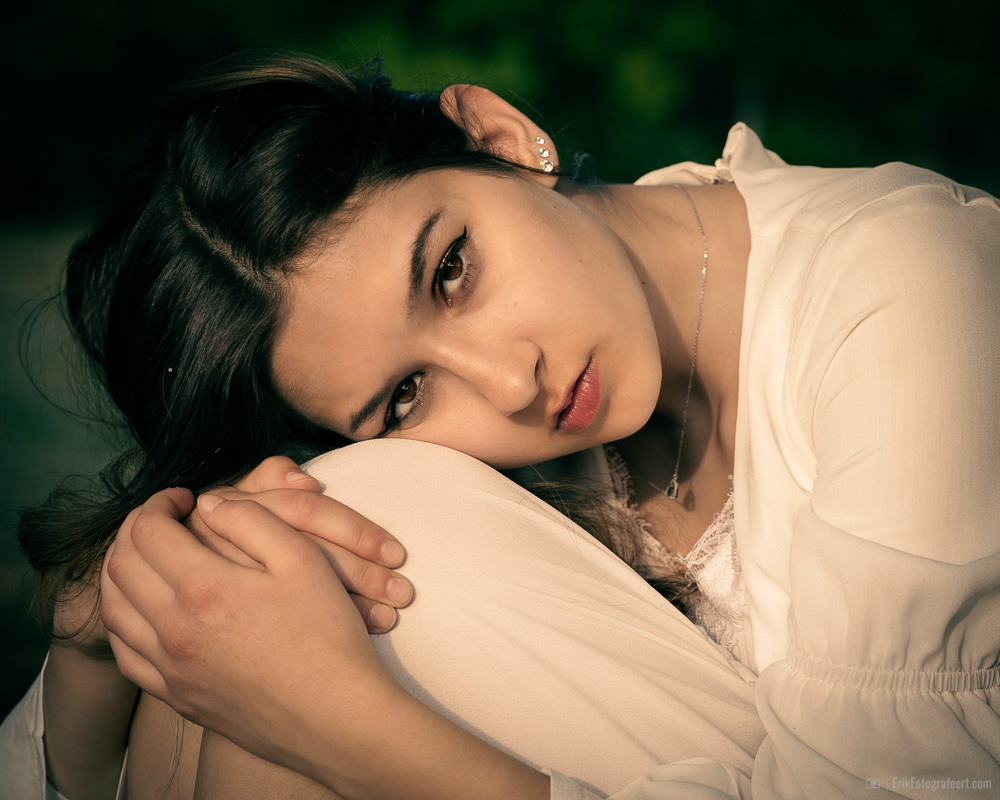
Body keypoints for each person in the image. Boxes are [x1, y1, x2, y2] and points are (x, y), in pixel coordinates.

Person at [3, 48, 999, 798]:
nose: (511, 382)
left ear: (499, 138)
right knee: (265, 575)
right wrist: (97, 646)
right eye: (404, 396)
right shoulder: (479, 463)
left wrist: (336, 721)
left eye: (451, 271)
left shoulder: (909, 287)